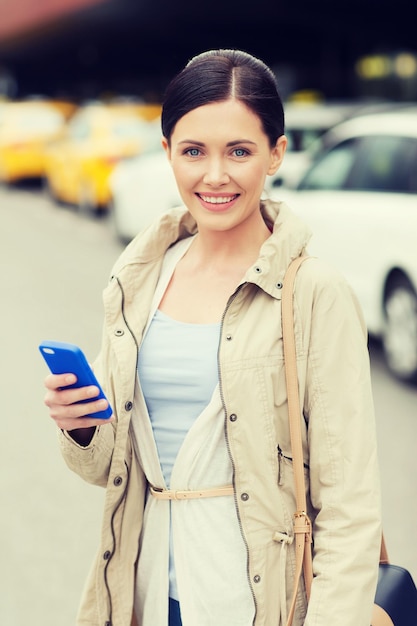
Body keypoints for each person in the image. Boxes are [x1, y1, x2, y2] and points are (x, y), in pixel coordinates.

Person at [44, 49, 381, 626]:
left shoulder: (313, 293)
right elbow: (107, 469)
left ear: (276, 154)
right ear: (168, 151)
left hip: (257, 601)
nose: (215, 175)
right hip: (146, 593)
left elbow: (349, 506)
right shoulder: (139, 280)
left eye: (240, 152)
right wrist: (79, 424)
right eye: (194, 151)